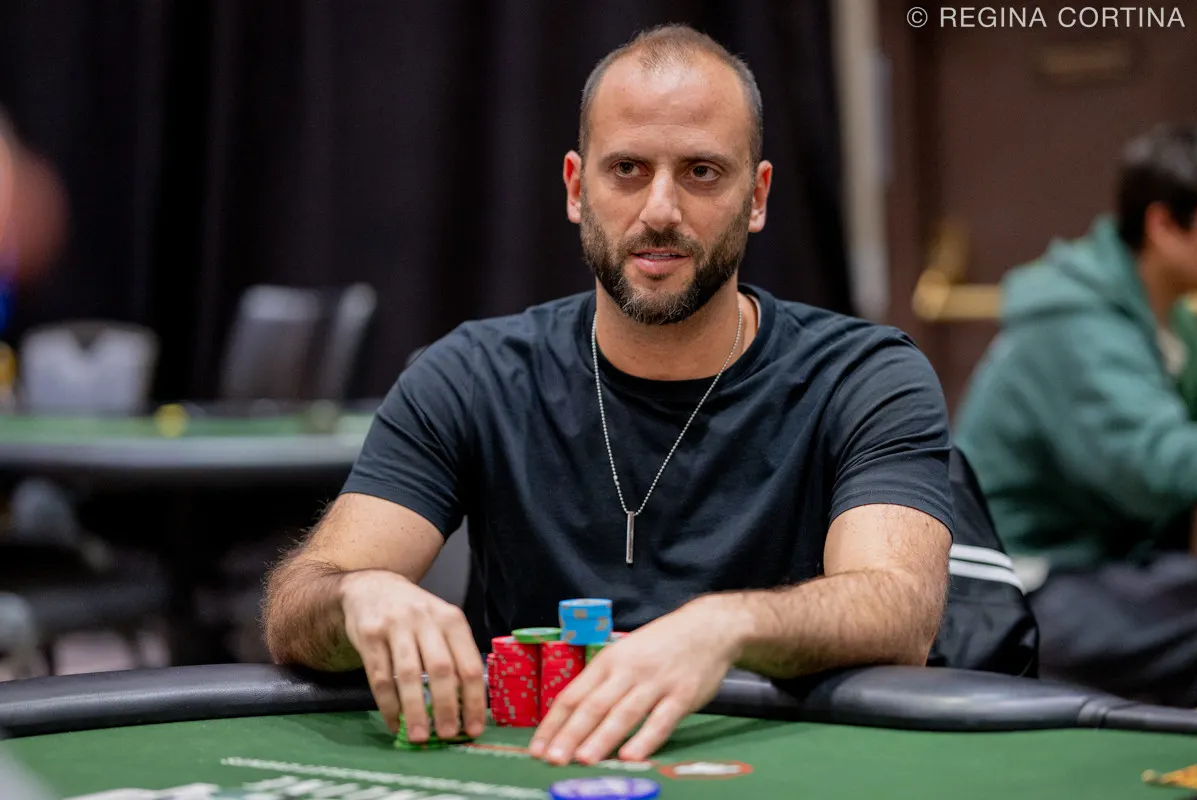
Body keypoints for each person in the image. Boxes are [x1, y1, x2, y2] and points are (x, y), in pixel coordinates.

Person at [262, 23, 954, 766]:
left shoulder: (865, 376)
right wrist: (357, 595)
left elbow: (899, 608)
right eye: (627, 168)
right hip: (539, 766)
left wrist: (724, 627)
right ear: (575, 187)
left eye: (701, 172)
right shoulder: (469, 374)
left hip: (786, 763)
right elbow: (298, 604)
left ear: (756, 198)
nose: (660, 209)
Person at [954, 122, 1197, 707]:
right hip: (1018, 587)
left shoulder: (1166, 317)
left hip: (1099, 566)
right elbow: (1154, 467)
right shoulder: (1077, 323)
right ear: (1164, 226)